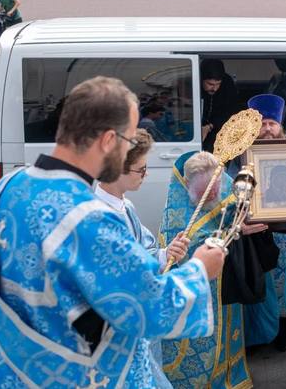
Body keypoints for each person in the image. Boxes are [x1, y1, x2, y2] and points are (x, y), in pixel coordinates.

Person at [0, 76, 226, 387]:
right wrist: (200, 269)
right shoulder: (88, 218)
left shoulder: (5, 190)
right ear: (109, 140)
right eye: (127, 142)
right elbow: (149, 305)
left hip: (8, 373)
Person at [161, 150, 279, 388]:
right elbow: (186, 251)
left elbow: (235, 211)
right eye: (207, 190)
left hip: (226, 291)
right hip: (202, 297)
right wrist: (235, 232)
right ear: (187, 184)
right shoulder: (177, 212)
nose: (215, 193)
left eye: (217, 187)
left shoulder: (222, 186)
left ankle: (229, 377)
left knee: (229, 338)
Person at [94, 128, 188, 389]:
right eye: (141, 169)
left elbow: (146, 253)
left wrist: (166, 253)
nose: (145, 175)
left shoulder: (126, 206)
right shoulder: (99, 217)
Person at [240, 94, 286, 352]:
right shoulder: (242, 156)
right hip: (257, 235)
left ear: (281, 125)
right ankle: (260, 336)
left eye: (272, 124)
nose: (268, 129)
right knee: (263, 286)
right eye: (263, 124)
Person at [200, 59, 239, 152]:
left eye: (218, 84)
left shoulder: (227, 83)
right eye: (210, 84)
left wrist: (209, 127)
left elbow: (232, 111)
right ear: (201, 79)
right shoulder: (192, 82)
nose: (215, 88)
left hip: (220, 129)